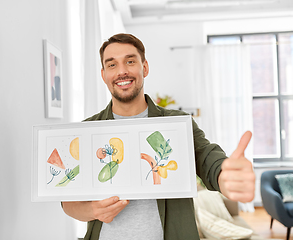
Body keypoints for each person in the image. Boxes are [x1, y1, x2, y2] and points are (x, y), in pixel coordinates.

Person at [62, 33, 255, 240]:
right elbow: (68, 203)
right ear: (103, 75)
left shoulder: (178, 124)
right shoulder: (89, 130)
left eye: (130, 61)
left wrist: (225, 176)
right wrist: (94, 210)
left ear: (144, 67)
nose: (122, 71)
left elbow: (207, 158)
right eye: (112, 65)